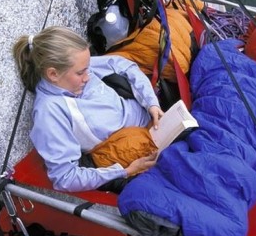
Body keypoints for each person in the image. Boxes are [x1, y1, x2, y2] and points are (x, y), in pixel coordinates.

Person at [13, 26, 164, 192]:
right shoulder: (49, 112)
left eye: (88, 67)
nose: (88, 76)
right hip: (133, 153)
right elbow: (65, 178)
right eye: (80, 73)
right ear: (53, 74)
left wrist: (152, 103)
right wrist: (125, 171)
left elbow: (124, 65)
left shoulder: (78, 70)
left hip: (156, 122)